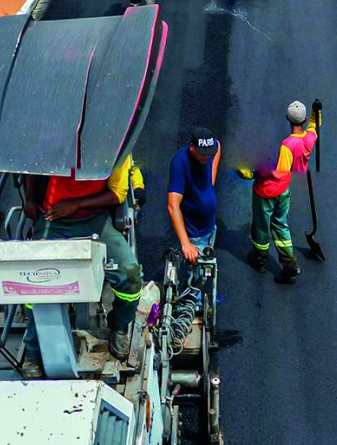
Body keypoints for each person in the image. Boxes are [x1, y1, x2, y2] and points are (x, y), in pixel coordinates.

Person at [42, 152, 147, 334]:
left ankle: (120, 326)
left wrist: (76, 204)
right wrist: (30, 200)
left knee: (130, 275)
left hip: (95, 219)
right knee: (33, 277)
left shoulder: (116, 142)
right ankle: (35, 345)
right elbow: (30, 167)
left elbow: (117, 193)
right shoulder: (54, 136)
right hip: (53, 219)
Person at [242, 100, 317, 285]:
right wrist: (317, 112)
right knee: (280, 225)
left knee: (261, 227)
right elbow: (315, 127)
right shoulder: (310, 137)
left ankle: (260, 261)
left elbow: (277, 173)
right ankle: (289, 263)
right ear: (305, 119)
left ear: (287, 119)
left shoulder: (287, 145)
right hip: (284, 191)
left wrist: (252, 173)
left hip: (267, 193)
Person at [166, 133, 220, 266]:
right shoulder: (179, 162)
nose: (206, 157)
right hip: (195, 233)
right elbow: (173, 206)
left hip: (210, 226)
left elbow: (218, 145)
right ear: (192, 147)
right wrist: (186, 244)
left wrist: (209, 182)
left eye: (209, 153)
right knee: (196, 277)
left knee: (206, 266)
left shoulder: (211, 150)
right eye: (202, 154)